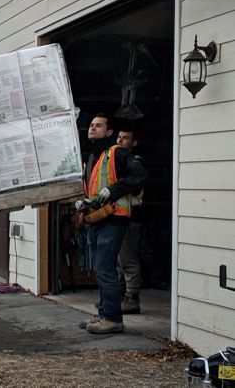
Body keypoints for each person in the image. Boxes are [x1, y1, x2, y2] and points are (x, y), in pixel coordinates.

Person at [76, 113, 147, 335]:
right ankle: (105, 313)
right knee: (102, 269)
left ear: (109, 132)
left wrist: (113, 190)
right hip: (97, 219)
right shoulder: (94, 156)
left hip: (114, 219)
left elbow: (141, 175)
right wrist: (86, 203)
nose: (92, 128)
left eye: (98, 125)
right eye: (91, 124)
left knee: (106, 269)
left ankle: (113, 319)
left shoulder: (117, 153)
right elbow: (96, 188)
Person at [116, 127, 145, 315]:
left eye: (125, 138)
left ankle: (132, 298)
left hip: (131, 217)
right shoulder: (117, 162)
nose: (120, 141)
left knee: (127, 259)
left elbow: (134, 188)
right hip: (119, 216)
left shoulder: (135, 163)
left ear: (134, 143)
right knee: (119, 259)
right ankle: (121, 296)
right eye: (119, 137)